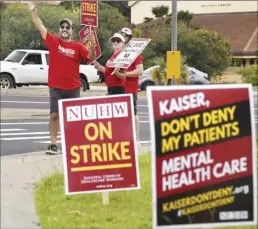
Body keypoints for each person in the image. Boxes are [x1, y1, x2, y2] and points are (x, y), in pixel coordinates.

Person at [28, 1, 96, 155]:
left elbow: (90, 56)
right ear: (60, 30)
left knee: (72, 119)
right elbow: (39, 25)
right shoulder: (53, 41)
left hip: (73, 89)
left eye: (68, 27)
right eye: (62, 27)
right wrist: (33, 11)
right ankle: (53, 145)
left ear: (72, 31)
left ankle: (73, 146)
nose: (64, 29)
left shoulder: (78, 46)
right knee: (54, 115)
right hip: (56, 87)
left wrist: (91, 43)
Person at [120, 28, 144, 146]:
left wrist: (125, 75)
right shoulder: (118, 52)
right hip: (118, 88)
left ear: (130, 38)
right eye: (122, 35)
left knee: (133, 113)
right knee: (120, 115)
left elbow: (140, 71)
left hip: (130, 89)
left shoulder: (135, 53)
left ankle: (136, 139)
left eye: (126, 36)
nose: (124, 38)